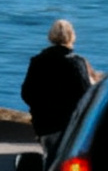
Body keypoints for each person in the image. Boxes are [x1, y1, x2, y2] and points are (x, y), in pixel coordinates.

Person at [20, 20, 94, 151]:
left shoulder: (37, 61)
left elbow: (26, 93)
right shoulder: (76, 62)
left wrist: (40, 110)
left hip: (44, 124)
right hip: (69, 126)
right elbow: (87, 95)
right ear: (72, 37)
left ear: (51, 36)